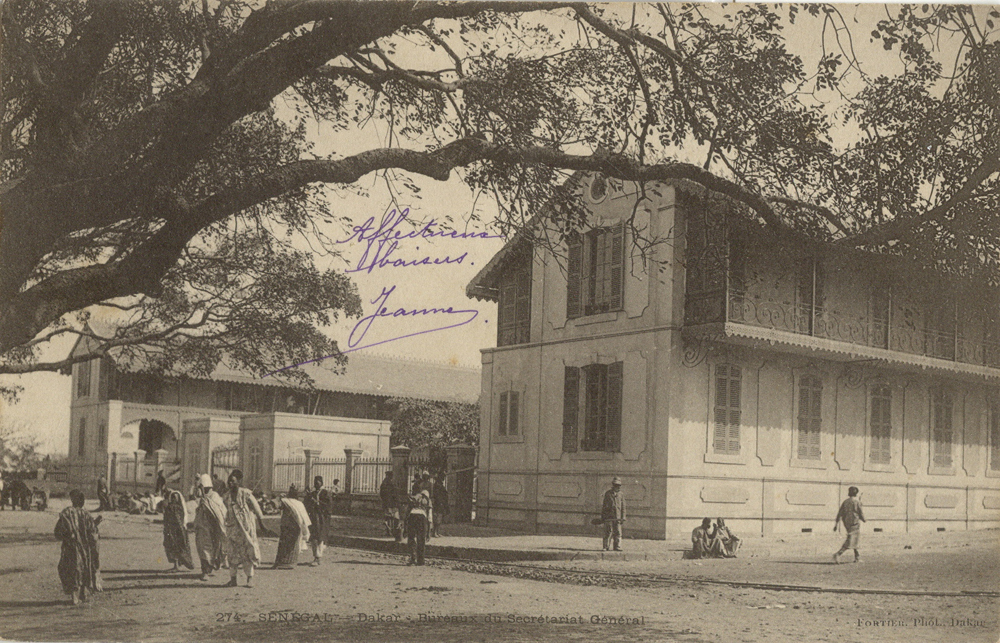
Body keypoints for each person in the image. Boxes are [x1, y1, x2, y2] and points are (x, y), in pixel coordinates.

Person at [55, 489, 102, 605]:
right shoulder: (86, 513)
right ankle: (82, 593)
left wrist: (67, 536)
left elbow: (58, 532)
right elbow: (92, 530)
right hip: (85, 548)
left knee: (72, 569)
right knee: (84, 567)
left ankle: (74, 596)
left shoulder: (66, 513)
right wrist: (96, 523)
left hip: (71, 546)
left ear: (72, 499)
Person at [223, 469, 266, 587]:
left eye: (232, 481)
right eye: (229, 482)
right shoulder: (226, 496)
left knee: (248, 553)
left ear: (238, 482)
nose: (230, 484)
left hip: (245, 529)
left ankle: (249, 579)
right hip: (232, 529)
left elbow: (257, 509)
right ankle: (233, 579)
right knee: (232, 554)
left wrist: (261, 525)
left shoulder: (245, 493)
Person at [194, 474, 226, 582]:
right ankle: (205, 571)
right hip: (203, 527)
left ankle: (210, 567)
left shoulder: (215, 496)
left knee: (214, 549)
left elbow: (220, 512)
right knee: (203, 548)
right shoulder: (202, 497)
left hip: (214, 527)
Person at [273, 488, 310, 569]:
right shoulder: (299, 503)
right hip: (296, 526)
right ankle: (291, 562)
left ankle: (281, 562)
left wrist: (279, 497)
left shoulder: (286, 501)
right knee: (293, 544)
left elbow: (276, 505)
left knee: (284, 544)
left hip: (286, 525)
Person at [162, 489, 194, 572]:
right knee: (175, 547)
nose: (173, 499)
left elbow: (177, 520)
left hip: (176, 531)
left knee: (176, 547)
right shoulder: (175, 507)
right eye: (172, 498)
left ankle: (177, 566)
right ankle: (177, 565)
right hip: (174, 530)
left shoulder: (174, 508)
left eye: (175, 498)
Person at [833, 486, 866, 563]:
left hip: (847, 522)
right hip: (855, 522)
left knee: (855, 539)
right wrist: (864, 519)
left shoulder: (846, 502)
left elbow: (840, 513)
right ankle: (838, 554)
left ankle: (857, 557)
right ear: (856, 493)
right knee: (851, 539)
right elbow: (860, 512)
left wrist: (836, 524)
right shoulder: (857, 502)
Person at [303, 476, 331, 566]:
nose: (316, 484)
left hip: (322, 518)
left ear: (322, 483)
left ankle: (318, 557)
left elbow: (328, 506)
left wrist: (316, 502)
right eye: (315, 482)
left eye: (318, 482)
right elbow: (306, 505)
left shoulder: (326, 493)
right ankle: (316, 557)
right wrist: (308, 496)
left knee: (320, 537)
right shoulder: (313, 493)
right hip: (314, 518)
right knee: (313, 537)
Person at [406, 485, 431, 566]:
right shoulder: (428, 500)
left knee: (411, 538)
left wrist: (405, 525)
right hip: (422, 517)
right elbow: (430, 518)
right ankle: (420, 561)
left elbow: (407, 513)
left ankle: (413, 558)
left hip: (412, 516)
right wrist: (428, 532)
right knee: (421, 539)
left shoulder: (414, 499)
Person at [601, 476, 626, 551]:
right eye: (616, 485)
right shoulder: (608, 494)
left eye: (618, 485)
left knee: (618, 532)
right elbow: (604, 506)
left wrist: (623, 516)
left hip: (618, 517)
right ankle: (606, 546)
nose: (617, 487)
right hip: (609, 517)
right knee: (608, 532)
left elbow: (623, 507)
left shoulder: (621, 495)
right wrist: (603, 517)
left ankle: (617, 546)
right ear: (613, 485)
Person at [380, 471, 400, 541]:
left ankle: (389, 531)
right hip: (392, 503)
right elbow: (395, 494)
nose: (392, 477)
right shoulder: (391, 483)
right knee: (394, 517)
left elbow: (381, 494)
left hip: (387, 503)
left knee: (388, 517)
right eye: (391, 475)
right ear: (389, 476)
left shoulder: (384, 483)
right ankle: (392, 531)